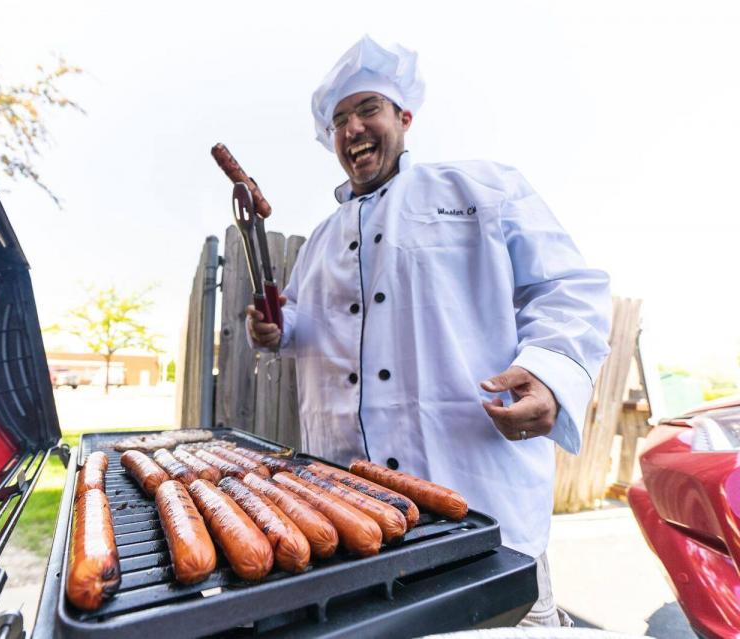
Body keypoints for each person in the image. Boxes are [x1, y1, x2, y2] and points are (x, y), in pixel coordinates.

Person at [246, 35, 611, 627]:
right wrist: (275, 330)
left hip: (483, 509)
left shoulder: (480, 190)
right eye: (340, 119)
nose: (353, 128)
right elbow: (310, 327)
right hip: (353, 522)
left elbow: (568, 287)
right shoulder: (317, 242)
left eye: (368, 109)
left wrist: (550, 370)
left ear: (404, 117)